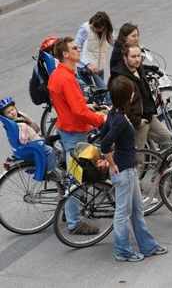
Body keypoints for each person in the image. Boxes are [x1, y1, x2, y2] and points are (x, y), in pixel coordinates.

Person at [101, 76, 168, 262]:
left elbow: (102, 134)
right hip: (124, 171)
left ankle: (147, 245)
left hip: (127, 169)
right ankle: (122, 250)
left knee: (137, 210)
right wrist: (112, 163)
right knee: (123, 213)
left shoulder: (113, 113)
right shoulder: (121, 120)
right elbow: (105, 143)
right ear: (127, 97)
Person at [48, 36, 106, 234]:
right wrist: (100, 119)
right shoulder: (66, 78)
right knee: (75, 180)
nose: (78, 48)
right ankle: (73, 222)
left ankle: (71, 212)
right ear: (65, 54)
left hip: (68, 128)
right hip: (74, 132)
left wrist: (88, 106)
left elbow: (74, 105)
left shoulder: (60, 74)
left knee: (75, 176)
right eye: (74, 48)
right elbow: (78, 112)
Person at [109, 44, 171, 153]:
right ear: (125, 57)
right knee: (138, 158)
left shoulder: (138, 68)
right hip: (138, 122)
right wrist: (137, 121)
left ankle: (162, 168)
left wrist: (155, 69)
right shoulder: (121, 78)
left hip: (148, 115)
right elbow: (122, 105)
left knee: (165, 138)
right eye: (133, 57)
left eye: (139, 56)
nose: (137, 59)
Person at [0, 97, 57, 176]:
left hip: (31, 142)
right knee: (50, 151)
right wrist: (25, 130)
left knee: (51, 140)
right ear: (5, 116)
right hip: (33, 144)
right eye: (8, 112)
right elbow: (23, 139)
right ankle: (49, 172)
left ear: (15, 108)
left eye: (12, 109)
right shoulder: (19, 124)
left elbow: (35, 130)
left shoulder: (12, 122)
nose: (12, 113)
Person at [75, 11, 113, 90]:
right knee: (102, 91)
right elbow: (76, 49)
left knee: (99, 95)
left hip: (99, 68)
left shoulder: (107, 32)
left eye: (98, 28)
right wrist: (87, 64)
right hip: (85, 69)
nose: (95, 29)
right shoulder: (86, 28)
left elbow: (115, 42)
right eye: (94, 27)